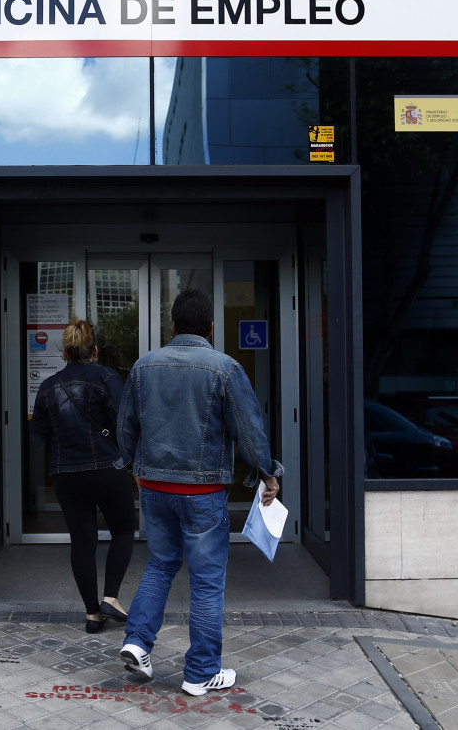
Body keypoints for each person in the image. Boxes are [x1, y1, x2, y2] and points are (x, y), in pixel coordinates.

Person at [115, 288, 283, 696]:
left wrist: (133, 465)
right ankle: (201, 671)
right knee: (207, 581)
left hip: (154, 489)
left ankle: (137, 642)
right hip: (202, 491)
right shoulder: (224, 368)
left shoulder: (143, 366)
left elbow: (125, 428)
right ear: (210, 327)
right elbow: (249, 429)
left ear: (172, 326)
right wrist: (268, 474)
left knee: (160, 563)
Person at [31, 320, 137, 633]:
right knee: (123, 530)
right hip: (107, 468)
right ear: (93, 350)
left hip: (66, 473)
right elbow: (124, 422)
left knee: (82, 540)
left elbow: (38, 433)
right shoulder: (107, 376)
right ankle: (111, 598)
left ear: (64, 352)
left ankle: (93, 614)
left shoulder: (48, 386)